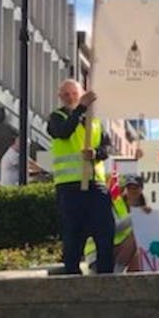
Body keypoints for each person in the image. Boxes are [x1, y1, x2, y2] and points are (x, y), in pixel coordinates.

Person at [47, 79, 114, 275]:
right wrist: (80, 108)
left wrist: (96, 153)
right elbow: (64, 132)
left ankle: (106, 275)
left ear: (81, 93)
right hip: (70, 186)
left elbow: (108, 147)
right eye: (66, 94)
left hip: (95, 184)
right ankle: (72, 275)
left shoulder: (95, 120)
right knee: (73, 234)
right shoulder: (56, 117)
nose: (71, 98)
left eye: (74, 94)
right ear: (60, 97)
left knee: (105, 231)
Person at [84, 174, 146, 273]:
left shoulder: (147, 208)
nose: (132, 191)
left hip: (121, 251)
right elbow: (112, 227)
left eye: (136, 187)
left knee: (143, 254)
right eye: (129, 188)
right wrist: (135, 215)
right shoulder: (113, 204)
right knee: (135, 236)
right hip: (97, 253)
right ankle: (117, 275)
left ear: (141, 189)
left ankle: (131, 282)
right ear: (124, 189)